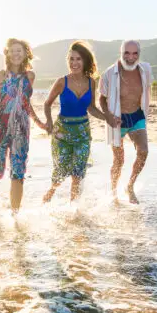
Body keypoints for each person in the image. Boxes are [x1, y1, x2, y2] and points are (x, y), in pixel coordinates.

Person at [0, 38, 46, 214]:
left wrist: (39, 122)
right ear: (7, 54)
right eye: (12, 50)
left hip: (21, 130)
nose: (16, 54)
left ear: (25, 54)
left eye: (19, 50)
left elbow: (25, 102)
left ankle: (14, 216)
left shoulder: (30, 77)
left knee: (18, 172)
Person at [42, 41, 110, 202]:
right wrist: (49, 122)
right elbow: (47, 104)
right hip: (62, 133)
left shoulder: (91, 82)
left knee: (78, 173)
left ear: (85, 60)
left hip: (82, 133)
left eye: (78, 59)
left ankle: (74, 208)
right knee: (60, 172)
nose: (74, 63)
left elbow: (91, 108)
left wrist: (108, 118)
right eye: (71, 59)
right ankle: (50, 193)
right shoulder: (62, 82)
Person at [99, 40, 152, 204]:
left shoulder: (145, 69)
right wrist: (108, 115)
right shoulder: (109, 73)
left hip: (137, 116)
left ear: (139, 54)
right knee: (119, 160)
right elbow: (101, 99)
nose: (131, 57)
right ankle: (114, 192)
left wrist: (146, 105)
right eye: (126, 53)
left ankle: (130, 186)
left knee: (143, 151)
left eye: (135, 53)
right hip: (117, 120)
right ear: (121, 53)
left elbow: (147, 89)